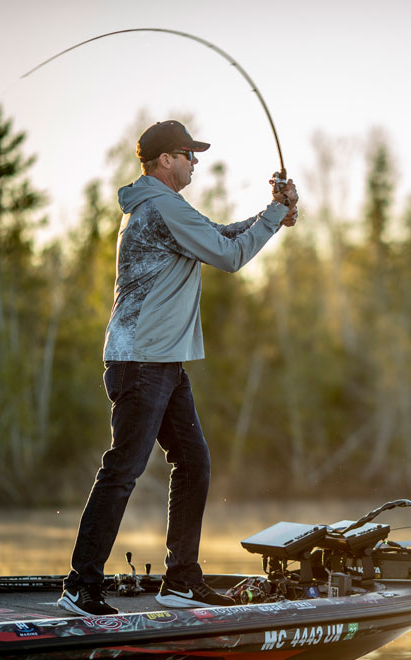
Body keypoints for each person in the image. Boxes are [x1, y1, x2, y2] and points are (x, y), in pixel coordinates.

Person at [58, 120, 298, 617]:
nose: (195, 162)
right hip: (143, 360)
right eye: (190, 154)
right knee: (122, 470)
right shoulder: (162, 206)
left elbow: (218, 233)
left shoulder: (161, 206)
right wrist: (275, 214)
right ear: (165, 159)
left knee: (192, 463)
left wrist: (273, 213)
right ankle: (81, 586)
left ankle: (182, 580)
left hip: (159, 360)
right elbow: (230, 255)